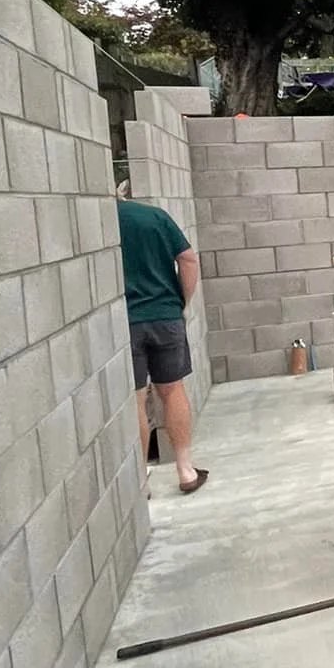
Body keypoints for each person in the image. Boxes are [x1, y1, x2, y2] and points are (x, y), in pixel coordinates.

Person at [118, 193, 208, 495]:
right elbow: (188, 258)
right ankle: (185, 470)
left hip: (124, 322)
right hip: (165, 316)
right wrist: (180, 301)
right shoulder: (154, 217)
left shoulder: (99, 223)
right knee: (172, 390)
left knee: (136, 398)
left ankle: (141, 479)